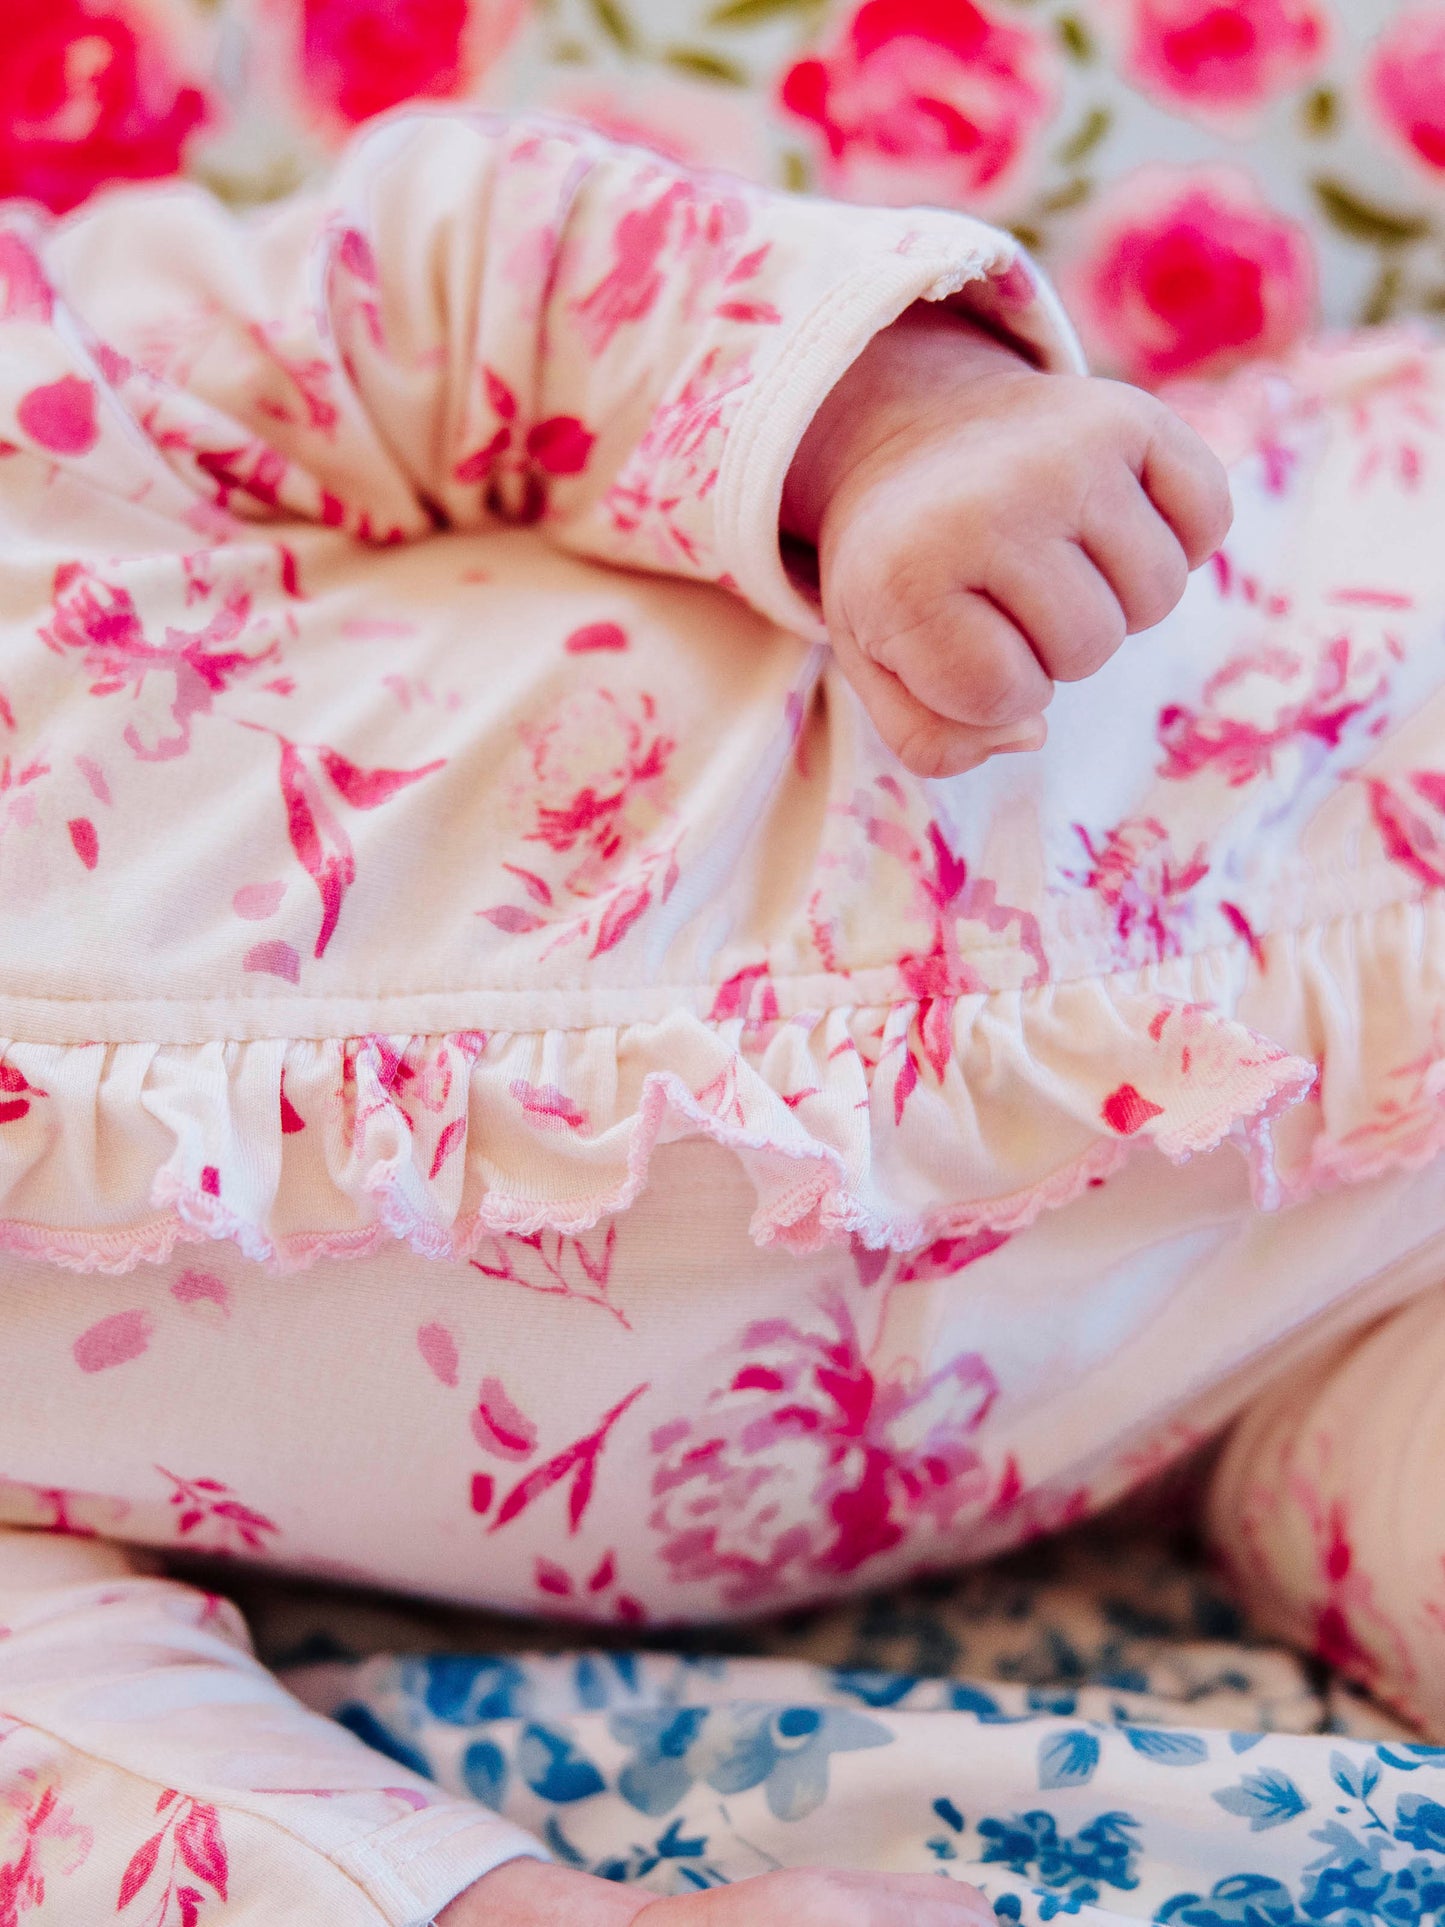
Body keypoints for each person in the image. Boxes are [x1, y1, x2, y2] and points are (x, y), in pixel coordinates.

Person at [1, 107, 1443, 1924]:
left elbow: (458, 289)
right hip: (1247, 1351)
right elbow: (72, 1771)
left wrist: (902, 429)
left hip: (1305, 648)